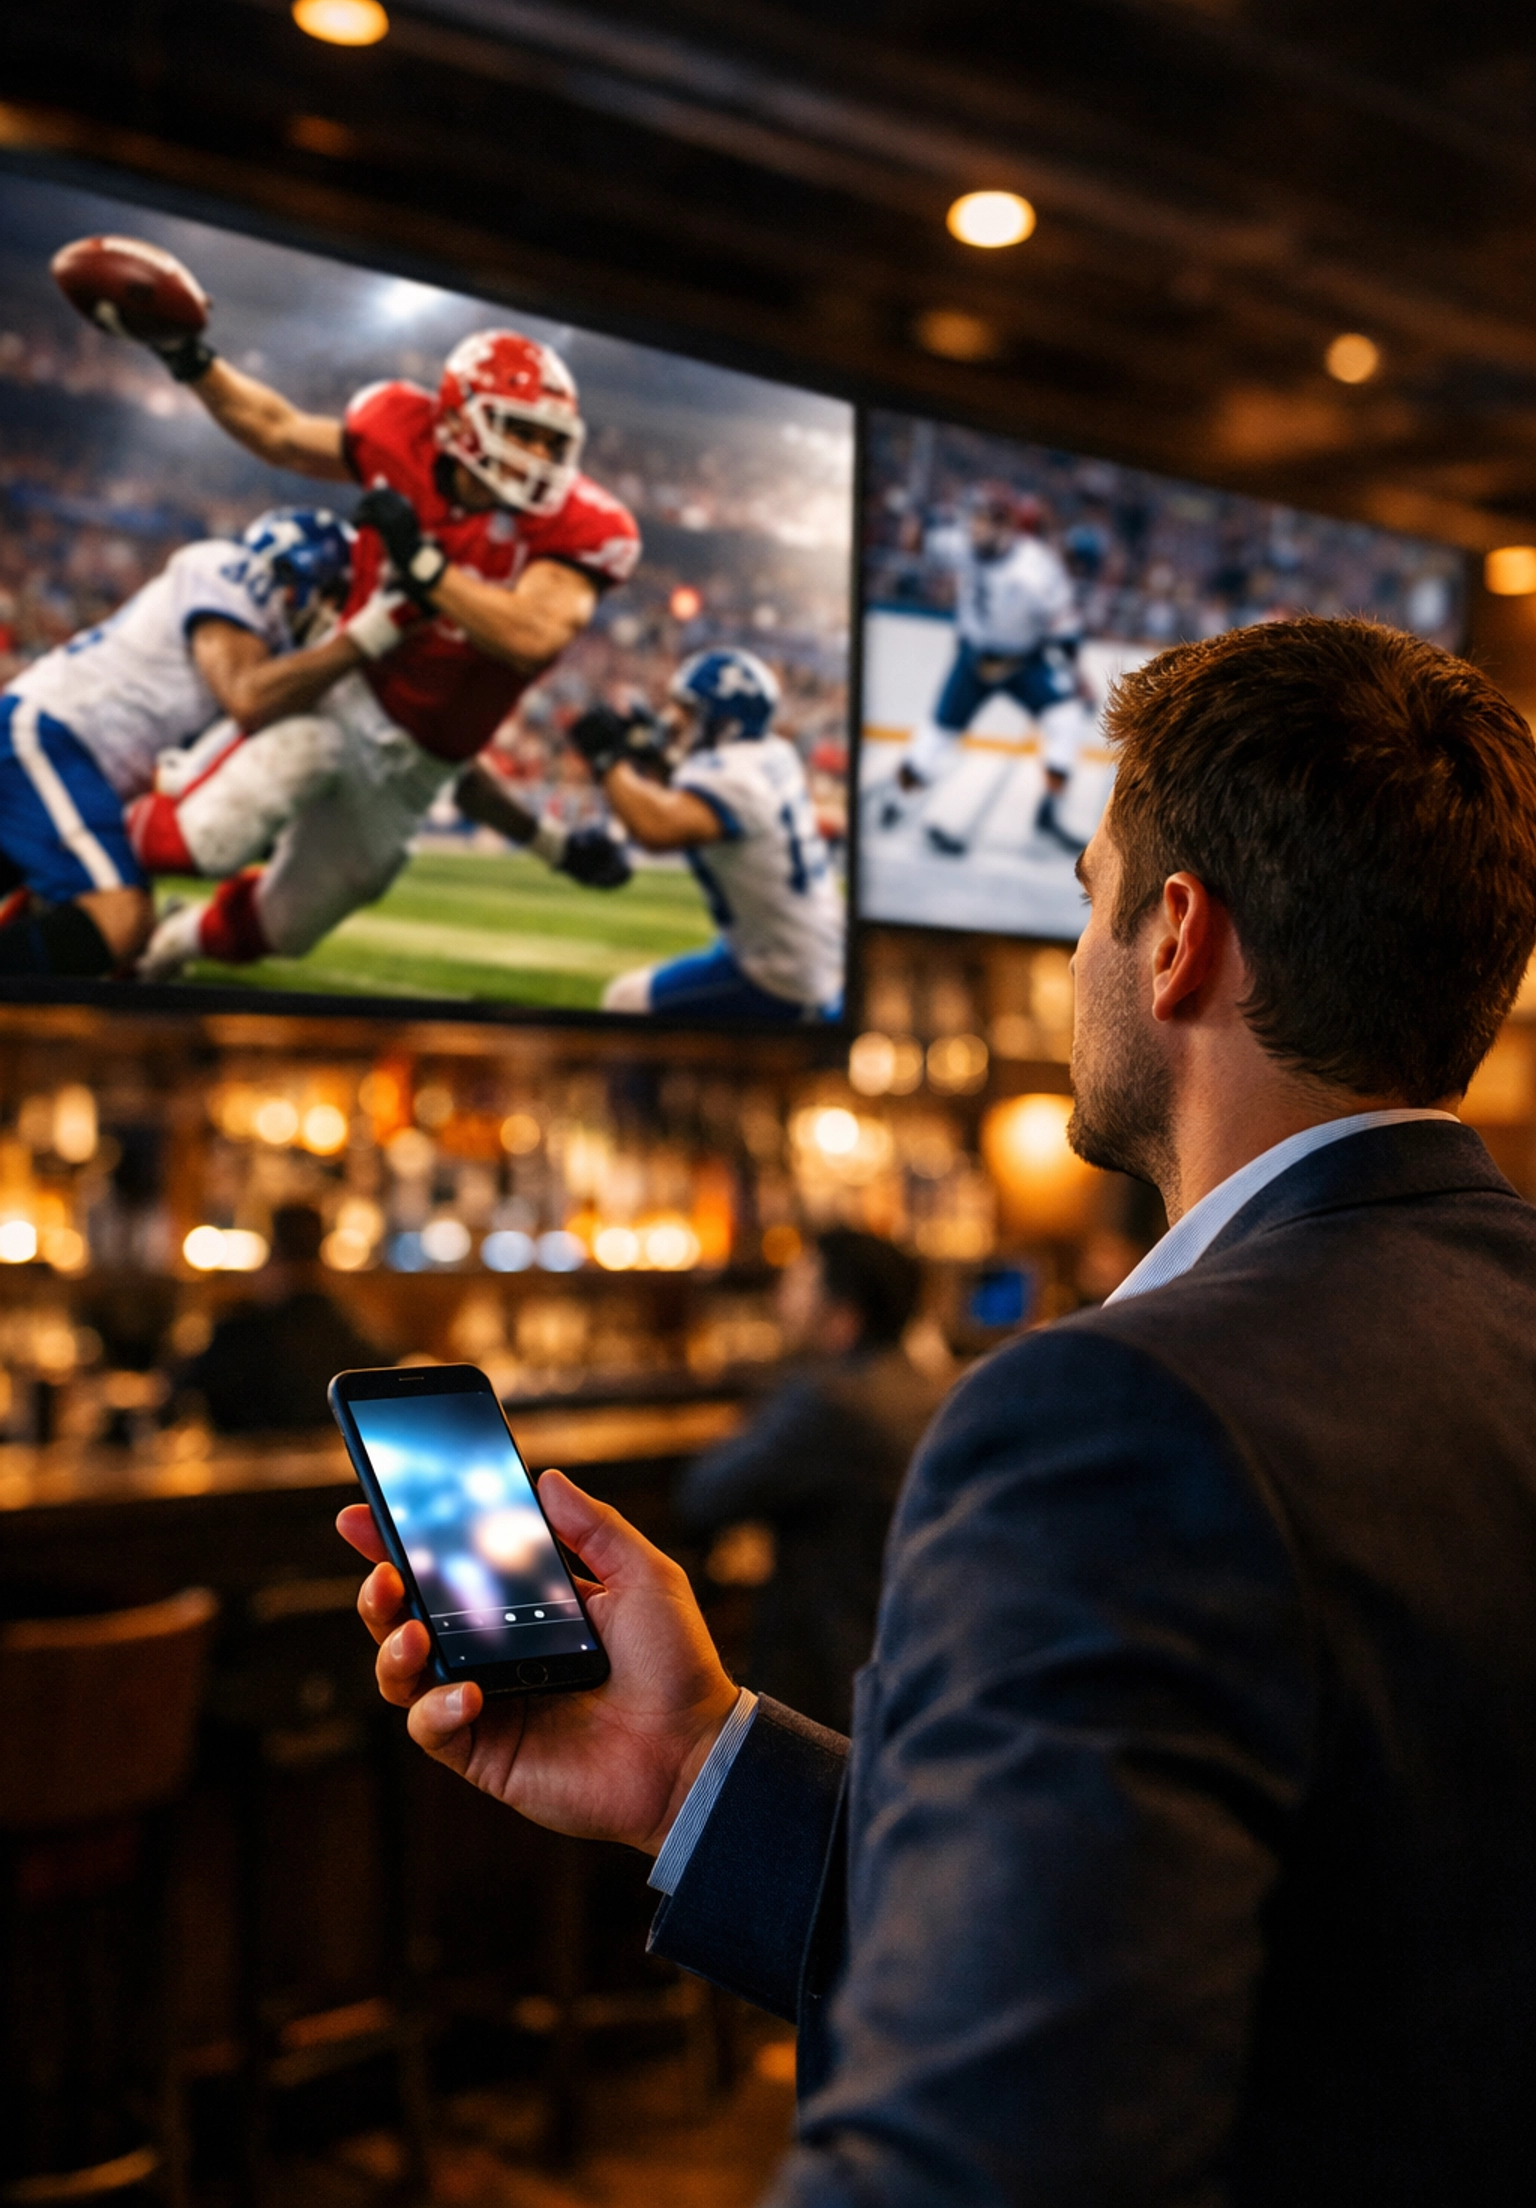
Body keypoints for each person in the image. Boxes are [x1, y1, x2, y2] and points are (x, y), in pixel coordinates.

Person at [342, 616, 1536, 2205]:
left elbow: (989, 2150)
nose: (1071, 962)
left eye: (1085, 901)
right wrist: (695, 1763)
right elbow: (1211, 1957)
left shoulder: (1117, 1414)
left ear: (1175, 936)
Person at [126, 314, 641, 973]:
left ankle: (176, 941)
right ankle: (60, 868)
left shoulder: (576, 526)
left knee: (288, 927)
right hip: (343, 687)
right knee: (209, 832)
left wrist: (424, 567)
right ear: (460, 421)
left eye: (552, 440)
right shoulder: (400, 432)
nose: (540, 456)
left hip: (416, 770)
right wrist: (188, 355)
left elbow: (533, 635)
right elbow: (279, 432)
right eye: (523, 432)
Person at [0, 507, 381, 976]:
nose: (336, 615)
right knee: (120, 919)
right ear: (293, 575)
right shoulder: (230, 572)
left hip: (70, 754)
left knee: (105, 933)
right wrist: (367, 639)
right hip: (52, 736)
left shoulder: (266, 650)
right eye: (334, 594)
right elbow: (247, 696)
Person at [676, 1230, 943, 1732]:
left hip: (826, 1673)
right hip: (903, 1656)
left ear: (842, 1317)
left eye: (799, 1280)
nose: (782, 1294)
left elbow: (703, 1494)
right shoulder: (921, 1386)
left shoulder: (827, 1402)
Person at [569, 647, 845, 1021]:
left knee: (625, 1000)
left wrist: (607, 760)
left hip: (782, 974)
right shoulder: (772, 753)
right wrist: (648, 755)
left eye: (689, 710)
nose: (673, 719)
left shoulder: (734, 778)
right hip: (805, 946)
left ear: (723, 719)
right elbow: (688, 789)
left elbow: (657, 828)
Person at [882, 484, 1093, 857]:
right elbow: (916, 544)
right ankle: (897, 800)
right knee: (934, 740)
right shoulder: (963, 543)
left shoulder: (1035, 570)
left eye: (984, 521)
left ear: (1006, 526)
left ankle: (1048, 810)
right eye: (973, 521)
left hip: (1023, 660)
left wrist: (1079, 678)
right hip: (974, 658)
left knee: (1066, 719)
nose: (974, 530)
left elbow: (1065, 628)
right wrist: (915, 520)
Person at [184, 1202, 376, 1434]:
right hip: (332, 1465)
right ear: (322, 1258)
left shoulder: (238, 1331)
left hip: (245, 1466)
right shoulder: (348, 1329)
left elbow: (182, 1386)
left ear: (274, 1256)